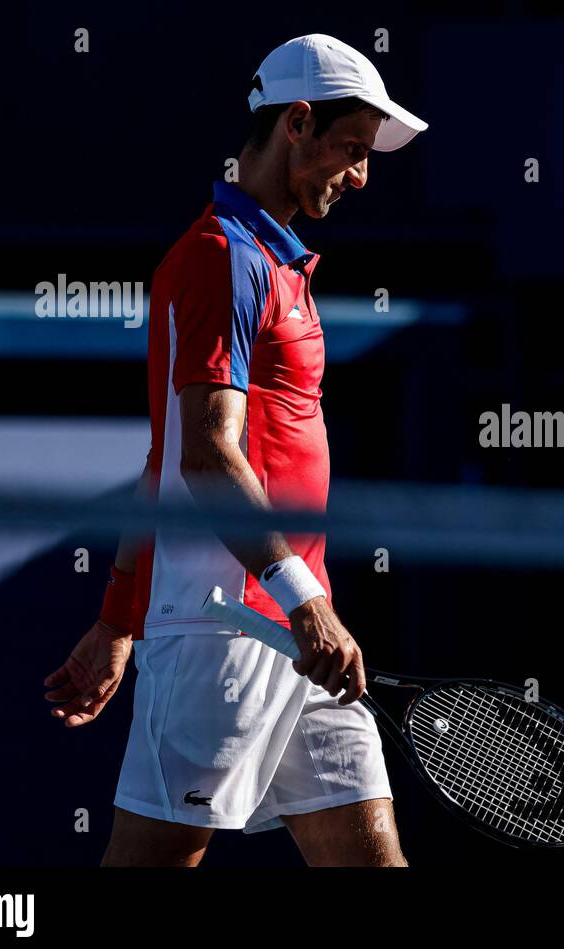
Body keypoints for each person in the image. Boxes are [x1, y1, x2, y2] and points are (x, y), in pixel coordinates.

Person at [42, 34, 427, 867]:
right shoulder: (221, 257)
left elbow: (163, 462)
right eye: (352, 149)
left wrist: (116, 617)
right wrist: (301, 598)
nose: (360, 176)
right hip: (230, 629)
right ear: (297, 123)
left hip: (298, 629)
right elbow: (205, 457)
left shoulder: (274, 263)